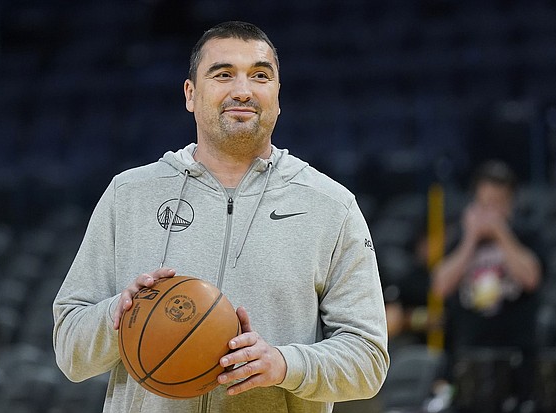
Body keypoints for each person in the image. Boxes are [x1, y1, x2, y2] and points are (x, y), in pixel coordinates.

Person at [53, 21, 389, 413]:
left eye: (260, 76)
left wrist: (285, 364)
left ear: (278, 96)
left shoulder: (331, 206)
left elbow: (369, 360)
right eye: (223, 74)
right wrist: (119, 315)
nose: (243, 91)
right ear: (191, 94)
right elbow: (69, 350)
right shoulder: (128, 195)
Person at [431, 160, 542, 412]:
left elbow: (531, 278)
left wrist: (502, 234)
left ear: (510, 204)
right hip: (468, 358)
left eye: (497, 204)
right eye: (484, 204)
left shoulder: (526, 234)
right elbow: (440, 286)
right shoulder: (461, 238)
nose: (489, 212)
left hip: (516, 357)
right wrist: (470, 239)